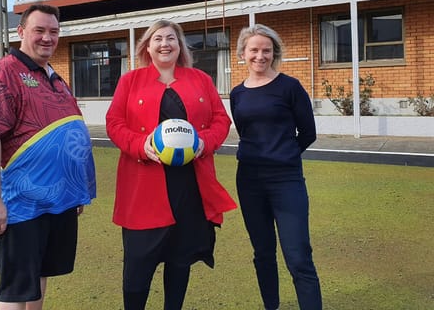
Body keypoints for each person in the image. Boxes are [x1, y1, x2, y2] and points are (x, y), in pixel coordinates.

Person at [0, 4, 96, 310]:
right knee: (15, 289)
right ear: (21, 32)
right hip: (21, 204)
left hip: (58, 202)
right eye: (39, 30)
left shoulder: (54, 78)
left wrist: (73, 190)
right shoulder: (2, 74)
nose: (47, 38)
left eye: (53, 31)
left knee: (39, 277)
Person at [106, 20, 237, 310]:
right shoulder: (130, 80)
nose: (165, 44)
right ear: (147, 47)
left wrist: (204, 142)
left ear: (180, 46)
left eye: (171, 39)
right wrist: (141, 146)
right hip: (143, 189)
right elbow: (114, 124)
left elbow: (221, 120)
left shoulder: (200, 79)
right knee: (137, 271)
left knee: (180, 262)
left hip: (189, 188)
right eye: (158, 39)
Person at [229, 24, 322, 310]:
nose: (260, 55)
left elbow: (308, 133)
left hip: (286, 181)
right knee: (263, 253)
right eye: (254, 50)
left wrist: (282, 155)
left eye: (266, 50)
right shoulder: (237, 93)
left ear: (274, 53)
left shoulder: (290, 87)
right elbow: (245, 131)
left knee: (298, 255)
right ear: (243, 54)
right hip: (249, 180)